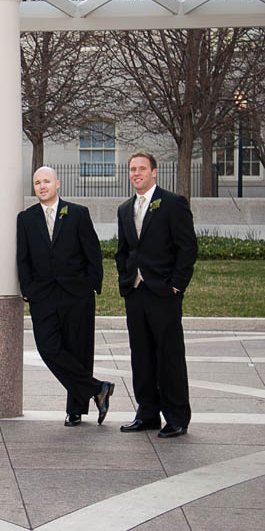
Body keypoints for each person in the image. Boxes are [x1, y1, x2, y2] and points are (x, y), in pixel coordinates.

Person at [16, 166, 114, 427]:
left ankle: (75, 410)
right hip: (42, 296)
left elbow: (92, 253)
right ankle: (97, 388)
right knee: (48, 348)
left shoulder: (78, 214)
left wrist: (92, 285)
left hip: (76, 294)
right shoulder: (26, 218)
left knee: (77, 350)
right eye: (37, 182)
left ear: (57, 184)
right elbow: (22, 258)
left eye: (46, 181)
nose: (42, 186)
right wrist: (28, 290)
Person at [116, 151, 197, 438]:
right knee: (141, 355)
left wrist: (177, 285)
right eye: (132, 169)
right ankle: (147, 412)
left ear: (154, 172)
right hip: (136, 293)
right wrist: (125, 280)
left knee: (169, 355)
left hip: (164, 292)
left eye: (141, 168)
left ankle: (176, 417)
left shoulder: (173, 204)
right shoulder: (125, 209)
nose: (136, 173)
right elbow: (124, 251)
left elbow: (187, 248)